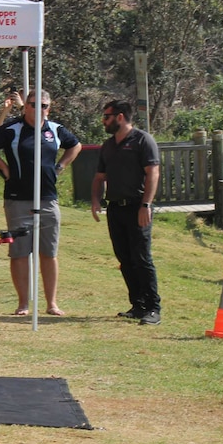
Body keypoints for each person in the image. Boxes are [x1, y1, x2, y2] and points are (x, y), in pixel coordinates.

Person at [0, 90, 81, 316]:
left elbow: (75, 145)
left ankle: (52, 303)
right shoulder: (13, 129)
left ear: (49, 108)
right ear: (26, 107)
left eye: (44, 106)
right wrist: (3, 167)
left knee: (49, 252)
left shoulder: (54, 130)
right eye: (34, 105)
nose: (39, 109)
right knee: (20, 252)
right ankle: (23, 303)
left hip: (47, 199)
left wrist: (61, 166)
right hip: (18, 199)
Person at [90, 100, 162, 325]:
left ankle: (153, 308)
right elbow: (100, 177)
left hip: (136, 208)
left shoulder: (143, 140)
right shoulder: (108, 145)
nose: (103, 121)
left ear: (120, 117)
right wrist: (95, 200)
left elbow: (153, 173)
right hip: (115, 208)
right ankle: (138, 305)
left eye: (106, 116)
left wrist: (145, 205)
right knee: (124, 258)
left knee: (141, 258)